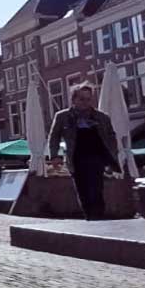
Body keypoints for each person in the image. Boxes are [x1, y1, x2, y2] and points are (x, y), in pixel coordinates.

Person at [48, 83, 122, 220]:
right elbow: (54, 137)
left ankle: (98, 218)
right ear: (74, 99)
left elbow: (111, 138)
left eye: (88, 99)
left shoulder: (102, 117)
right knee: (82, 191)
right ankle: (89, 217)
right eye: (81, 99)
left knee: (97, 189)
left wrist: (112, 157)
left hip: (97, 158)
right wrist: (55, 155)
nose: (85, 103)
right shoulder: (63, 116)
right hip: (76, 159)